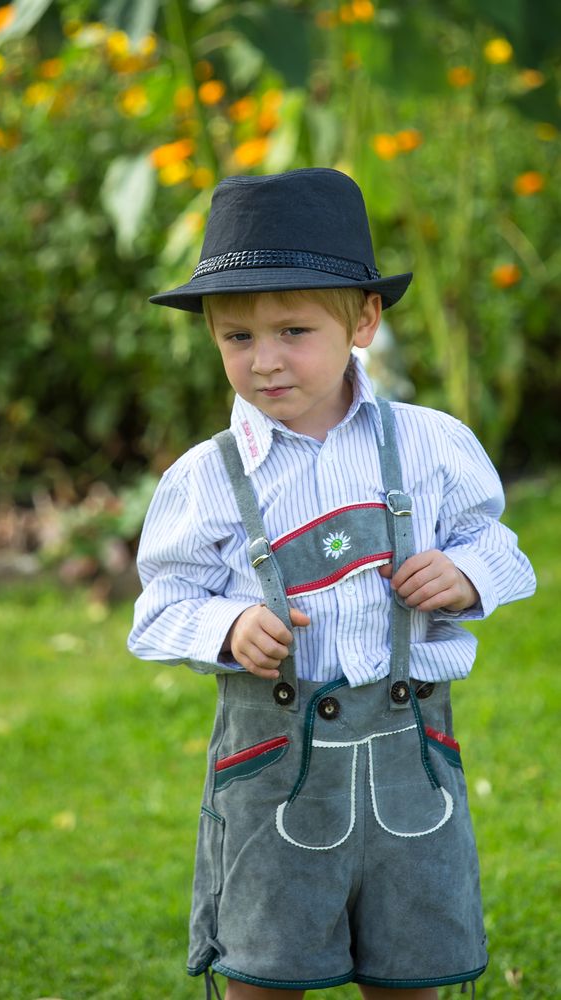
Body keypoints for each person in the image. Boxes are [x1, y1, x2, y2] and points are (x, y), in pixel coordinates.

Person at [127, 168, 536, 1000]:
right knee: (264, 965)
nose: (264, 360)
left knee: (410, 962)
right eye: (236, 337)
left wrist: (465, 574)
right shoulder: (205, 478)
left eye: (292, 331)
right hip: (271, 766)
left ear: (363, 321)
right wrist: (226, 626)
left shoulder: (431, 444)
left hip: (409, 751)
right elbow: (160, 607)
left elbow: (498, 546)